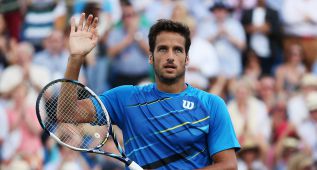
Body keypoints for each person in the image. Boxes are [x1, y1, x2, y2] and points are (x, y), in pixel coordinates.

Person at [63, 13, 240, 169]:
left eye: (177, 50)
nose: (170, 56)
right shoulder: (125, 98)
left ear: (187, 59)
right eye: (162, 49)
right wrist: (75, 58)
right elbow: (67, 113)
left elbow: (228, 165)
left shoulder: (212, 105)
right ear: (150, 57)